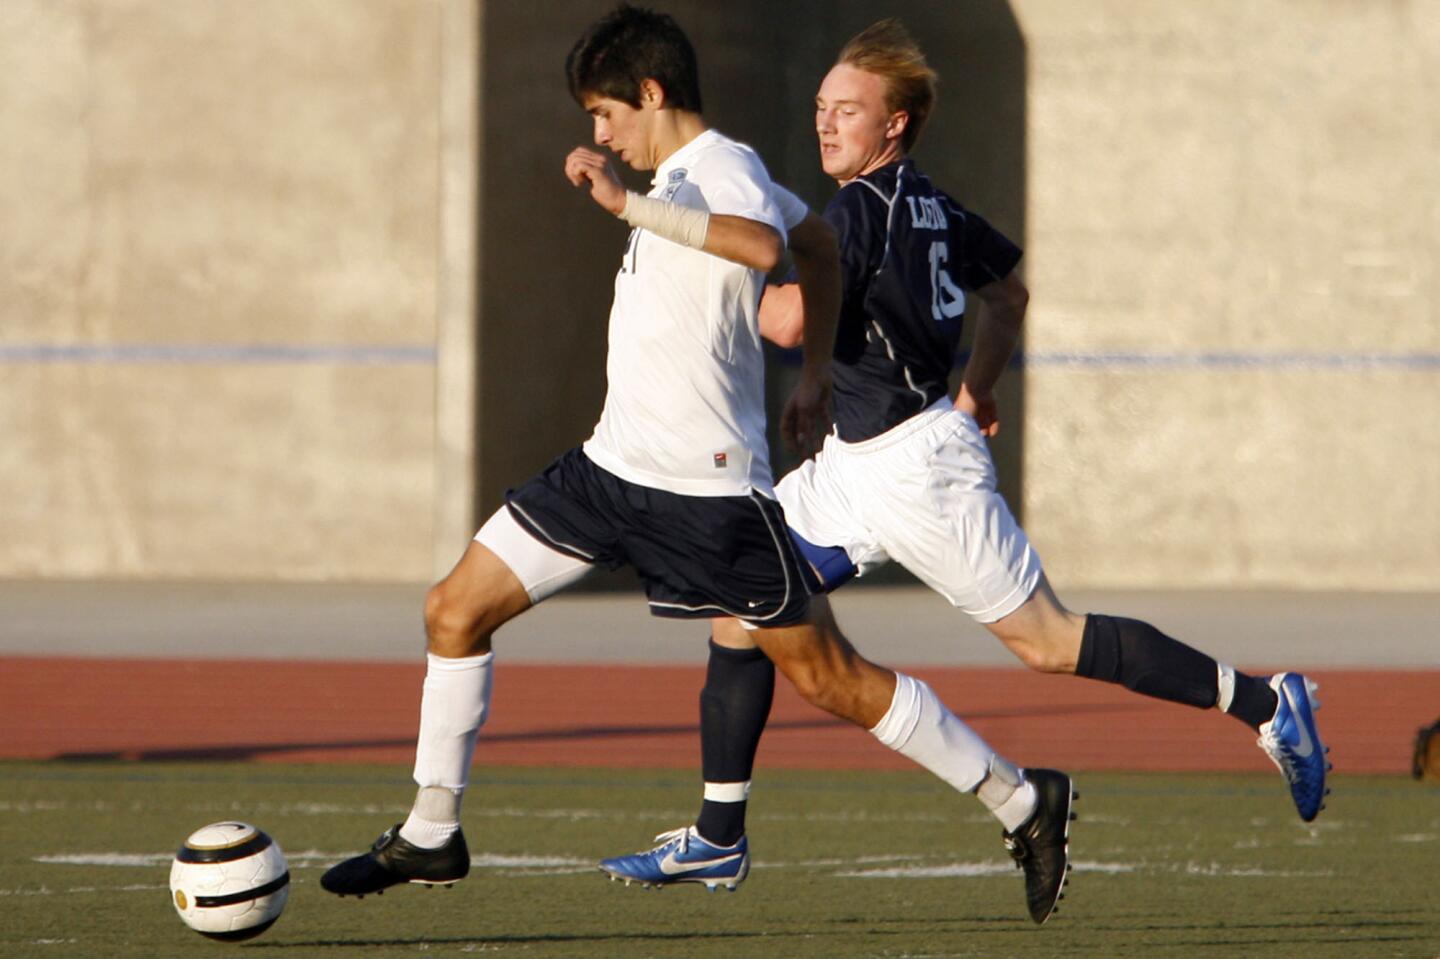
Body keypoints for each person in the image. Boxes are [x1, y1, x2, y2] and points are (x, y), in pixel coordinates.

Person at [321, 5, 1076, 926]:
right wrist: (813, 381)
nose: (600, 136)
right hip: (608, 472)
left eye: (607, 114)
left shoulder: (719, 168)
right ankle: (433, 827)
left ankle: (1021, 800)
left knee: (832, 677)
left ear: (650, 93)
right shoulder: (688, 173)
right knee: (454, 608)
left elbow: (763, 247)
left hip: (707, 495)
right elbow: (819, 248)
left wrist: (625, 205)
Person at [600, 17, 1330, 914]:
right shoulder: (933, 204)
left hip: (914, 471)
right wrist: (978, 391)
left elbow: (789, 321)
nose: (826, 126)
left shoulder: (861, 210)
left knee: (1049, 643)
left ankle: (1266, 703)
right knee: (741, 602)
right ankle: (718, 835)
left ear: (894, 124)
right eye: (822, 109)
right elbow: (1009, 292)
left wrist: (695, 278)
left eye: (848, 113)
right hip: (858, 462)